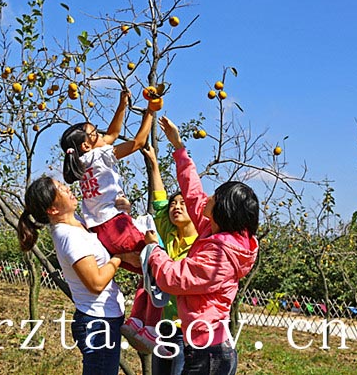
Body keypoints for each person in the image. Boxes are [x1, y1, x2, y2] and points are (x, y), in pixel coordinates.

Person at [143, 116, 259, 375]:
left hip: (208, 354)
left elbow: (174, 279)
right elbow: (193, 193)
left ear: (223, 210)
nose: (209, 197)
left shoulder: (220, 256)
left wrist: (154, 250)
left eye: (215, 196)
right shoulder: (213, 229)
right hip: (204, 347)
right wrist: (178, 147)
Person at [60, 90, 163, 351]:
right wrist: (150, 112)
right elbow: (137, 142)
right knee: (159, 267)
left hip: (101, 232)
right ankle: (147, 327)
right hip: (116, 226)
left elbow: (113, 134)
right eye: (94, 133)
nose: (100, 134)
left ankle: (138, 323)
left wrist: (122, 105)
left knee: (147, 271)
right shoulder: (100, 156)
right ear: (87, 144)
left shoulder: (81, 162)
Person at [18, 176, 139, 375]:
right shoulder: (69, 236)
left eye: (63, 185)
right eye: (60, 189)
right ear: (52, 209)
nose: (67, 189)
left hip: (105, 318)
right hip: (97, 322)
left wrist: (123, 212)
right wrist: (120, 257)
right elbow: (96, 283)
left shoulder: (79, 223)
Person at [140, 145, 198, 375]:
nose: (176, 207)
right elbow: (159, 202)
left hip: (186, 329)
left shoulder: (201, 243)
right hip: (164, 326)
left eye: (183, 203)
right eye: (174, 204)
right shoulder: (168, 232)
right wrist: (154, 164)